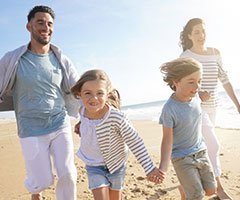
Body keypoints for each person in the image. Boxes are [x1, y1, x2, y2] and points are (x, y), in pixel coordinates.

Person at [0, 5, 80, 200]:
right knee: (42, 180)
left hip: (59, 123)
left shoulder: (61, 59)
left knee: (68, 174)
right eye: (40, 22)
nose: (46, 27)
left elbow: (78, 89)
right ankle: (36, 189)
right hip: (30, 127)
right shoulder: (12, 59)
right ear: (29, 26)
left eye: (50, 23)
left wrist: (83, 116)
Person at [71, 69, 165, 200]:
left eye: (99, 93)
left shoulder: (116, 117)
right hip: (93, 166)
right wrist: (81, 124)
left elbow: (135, 141)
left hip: (116, 165)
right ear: (80, 94)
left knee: (115, 197)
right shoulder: (82, 110)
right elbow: (88, 120)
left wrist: (149, 168)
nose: (94, 98)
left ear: (107, 94)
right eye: (87, 93)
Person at [179, 17, 240, 200]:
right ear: (189, 35)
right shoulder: (186, 57)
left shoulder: (215, 52)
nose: (201, 35)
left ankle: (185, 182)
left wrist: (237, 104)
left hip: (213, 107)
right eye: (196, 32)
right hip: (194, 108)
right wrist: (197, 94)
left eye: (203, 31)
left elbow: (225, 79)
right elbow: (179, 86)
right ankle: (218, 188)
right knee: (213, 145)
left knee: (202, 147)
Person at [159, 57, 216, 200]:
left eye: (199, 81)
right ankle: (188, 189)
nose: (197, 86)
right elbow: (167, 140)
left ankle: (184, 187)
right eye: (191, 82)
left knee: (211, 190)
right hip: (182, 158)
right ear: (176, 82)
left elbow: (198, 99)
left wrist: (204, 96)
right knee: (197, 195)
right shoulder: (169, 109)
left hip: (201, 152)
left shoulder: (195, 96)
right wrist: (163, 167)